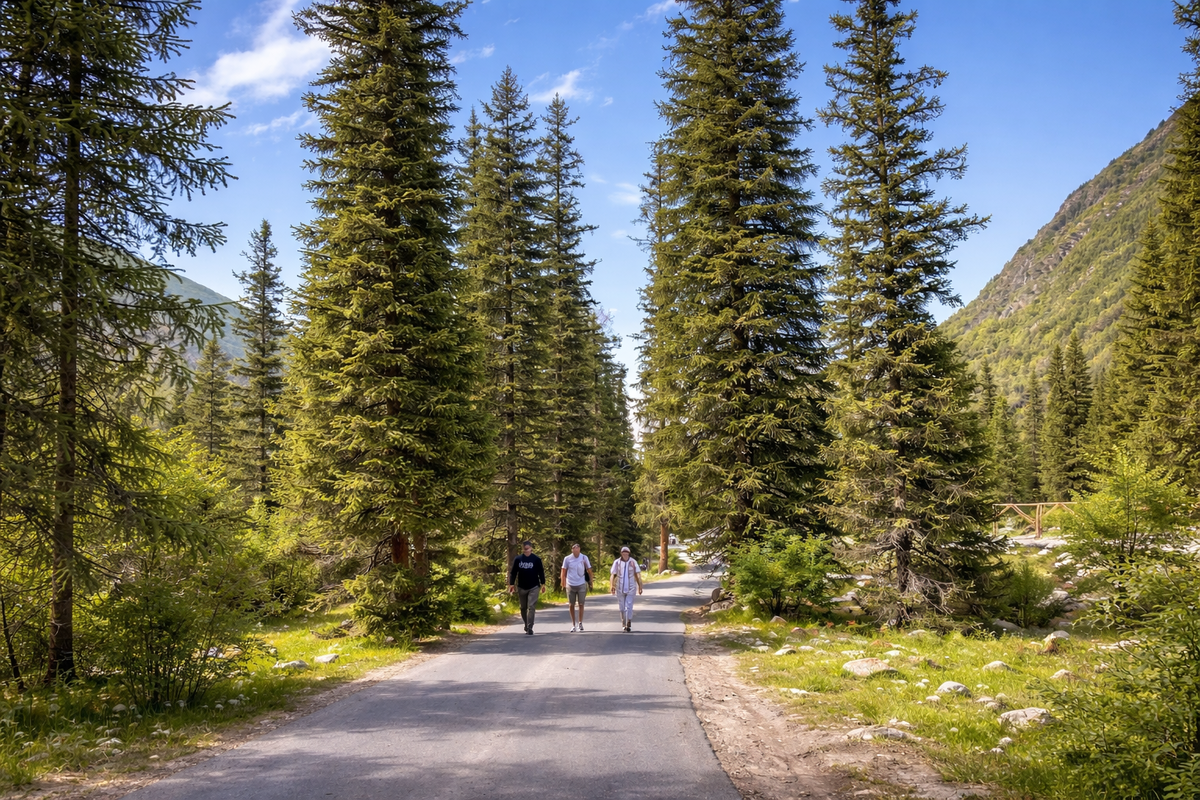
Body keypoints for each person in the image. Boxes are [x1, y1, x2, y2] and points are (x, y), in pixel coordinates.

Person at [508, 541, 545, 635]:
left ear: (531, 548)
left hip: (534, 586)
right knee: (523, 607)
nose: (526, 550)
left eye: (528, 548)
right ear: (522, 549)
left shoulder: (536, 559)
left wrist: (543, 584)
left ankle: (530, 627)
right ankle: (526, 623)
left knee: (531, 607)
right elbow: (513, 572)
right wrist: (511, 584)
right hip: (522, 587)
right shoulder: (518, 559)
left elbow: (541, 572)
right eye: (525, 549)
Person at [559, 543, 593, 632]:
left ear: (579, 549)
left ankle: (580, 622)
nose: (576, 551)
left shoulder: (584, 557)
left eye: (577, 549)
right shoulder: (567, 559)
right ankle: (573, 624)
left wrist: (591, 581)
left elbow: (589, 570)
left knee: (581, 604)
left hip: (581, 583)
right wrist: (563, 582)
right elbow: (563, 570)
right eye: (574, 549)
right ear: (572, 550)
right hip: (570, 584)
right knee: (571, 604)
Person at [609, 545, 643, 632]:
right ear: (621, 553)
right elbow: (612, 575)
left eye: (626, 552)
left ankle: (628, 621)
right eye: (623, 552)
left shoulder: (633, 562)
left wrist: (640, 586)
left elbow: (638, 574)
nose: (625, 554)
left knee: (629, 605)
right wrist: (612, 586)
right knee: (621, 607)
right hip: (619, 587)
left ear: (629, 553)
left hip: (631, 587)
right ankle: (623, 623)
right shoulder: (617, 562)